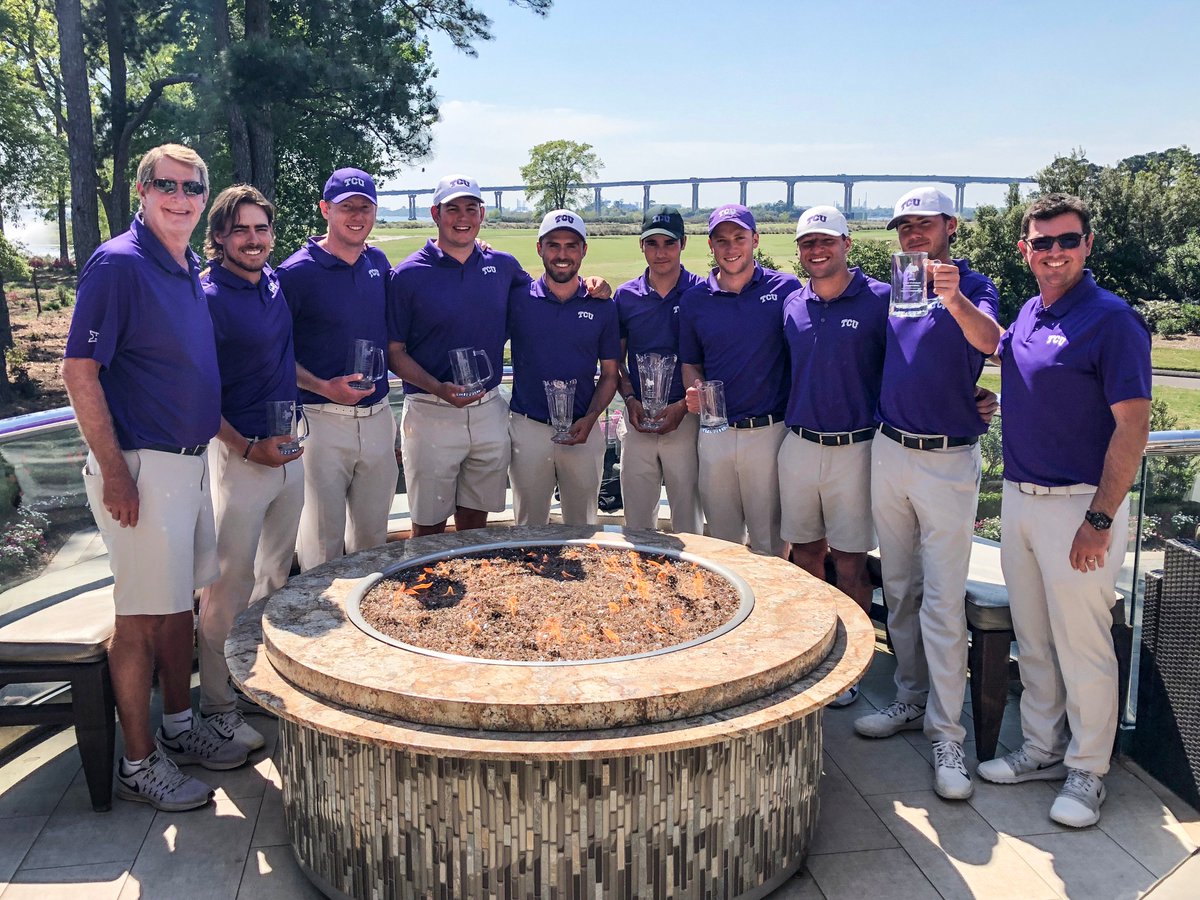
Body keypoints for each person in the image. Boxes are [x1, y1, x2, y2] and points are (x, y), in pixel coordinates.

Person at [62, 144, 247, 812]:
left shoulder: (186, 264)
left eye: (192, 187)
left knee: (177, 610)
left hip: (189, 463)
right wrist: (116, 473)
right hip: (142, 466)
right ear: (141, 190)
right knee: (139, 620)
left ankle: (178, 728)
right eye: (164, 185)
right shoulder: (118, 265)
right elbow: (79, 371)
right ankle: (138, 764)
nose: (180, 197)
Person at [977, 193, 1151, 828]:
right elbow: (1008, 361)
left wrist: (1100, 519)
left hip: (1080, 505)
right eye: (1041, 242)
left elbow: (1132, 428)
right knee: (1036, 638)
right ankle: (1042, 749)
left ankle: (1088, 770)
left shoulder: (1113, 320)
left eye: (1066, 240)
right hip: (1021, 498)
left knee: (1083, 643)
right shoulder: (1029, 311)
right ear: (1026, 249)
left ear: (1087, 245)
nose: (1054, 252)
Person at [853, 187, 1003, 803]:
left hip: (946, 460)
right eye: (903, 225)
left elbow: (991, 340)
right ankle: (911, 699)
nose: (913, 233)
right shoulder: (893, 288)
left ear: (950, 226)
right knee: (902, 588)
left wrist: (954, 296)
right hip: (890, 451)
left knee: (943, 601)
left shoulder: (974, 283)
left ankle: (948, 735)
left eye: (924, 223)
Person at [196, 184, 304, 752]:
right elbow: (194, 392)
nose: (254, 238)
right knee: (227, 585)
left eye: (262, 228)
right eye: (241, 229)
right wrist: (244, 448)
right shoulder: (206, 297)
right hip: (240, 458)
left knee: (275, 577)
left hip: (288, 454)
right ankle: (214, 707)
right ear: (218, 238)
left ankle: (253, 680)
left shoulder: (274, 283)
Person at [780, 205, 889, 706]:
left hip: (857, 446)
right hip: (798, 442)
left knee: (849, 561)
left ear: (848, 242)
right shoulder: (791, 303)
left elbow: (918, 358)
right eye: (807, 244)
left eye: (827, 241)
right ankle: (810, 653)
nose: (817, 251)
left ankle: (851, 665)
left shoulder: (881, 300)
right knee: (803, 554)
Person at [386, 175, 532, 537]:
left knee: (476, 524)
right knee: (428, 525)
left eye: (471, 208)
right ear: (436, 213)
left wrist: (593, 287)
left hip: (488, 408)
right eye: (453, 209)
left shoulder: (502, 266)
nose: (462, 217)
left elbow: (542, 299)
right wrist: (438, 387)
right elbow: (394, 352)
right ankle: (427, 591)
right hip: (430, 411)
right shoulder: (407, 275)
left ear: (482, 214)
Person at [277, 168, 397, 569]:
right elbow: (275, 352)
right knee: (322, 540)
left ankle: (365, 627)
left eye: (366, 207)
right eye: (347, 207)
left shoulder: (377, 262)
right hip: (321, 419)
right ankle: (321, 624)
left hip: (378, 415)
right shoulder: (295, 273)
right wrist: (325, 387)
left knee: (372, 538)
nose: (357, 215)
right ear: (326, 209)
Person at [680, 204, 798, 556]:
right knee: (721, 541)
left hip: (769, 432)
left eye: (739, 238)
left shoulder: (785, 289)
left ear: (755, 240)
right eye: (722, 240)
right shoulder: (695, 300)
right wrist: (696, 390)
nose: (731, 248)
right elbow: (691, 362)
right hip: (715, 432)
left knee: (770, 543)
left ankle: (772, 611)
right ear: (711, 246)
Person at [507, 210, 620, 525]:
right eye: (553, 245)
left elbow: (610, 374)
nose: (562, 254)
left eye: (572, 245)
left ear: (584, 250)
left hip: (583, 429)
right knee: (529, 528)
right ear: (539, 248)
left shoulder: (602, 305)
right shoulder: (518, 300)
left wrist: (591, 418)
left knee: (583, 528)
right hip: (529, 428)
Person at [613, 206, 703, 533]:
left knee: (688, 523)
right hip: (638, 420)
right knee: (636, 524)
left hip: (687, 419)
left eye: (669, 243)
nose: (661, 252)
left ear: (684, 243)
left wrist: (682, 407)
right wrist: (630, 400)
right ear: (641, 245)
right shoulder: (625, 297)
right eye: (652, 243)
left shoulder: (703, 292)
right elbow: (614, 362)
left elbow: (711, 361)